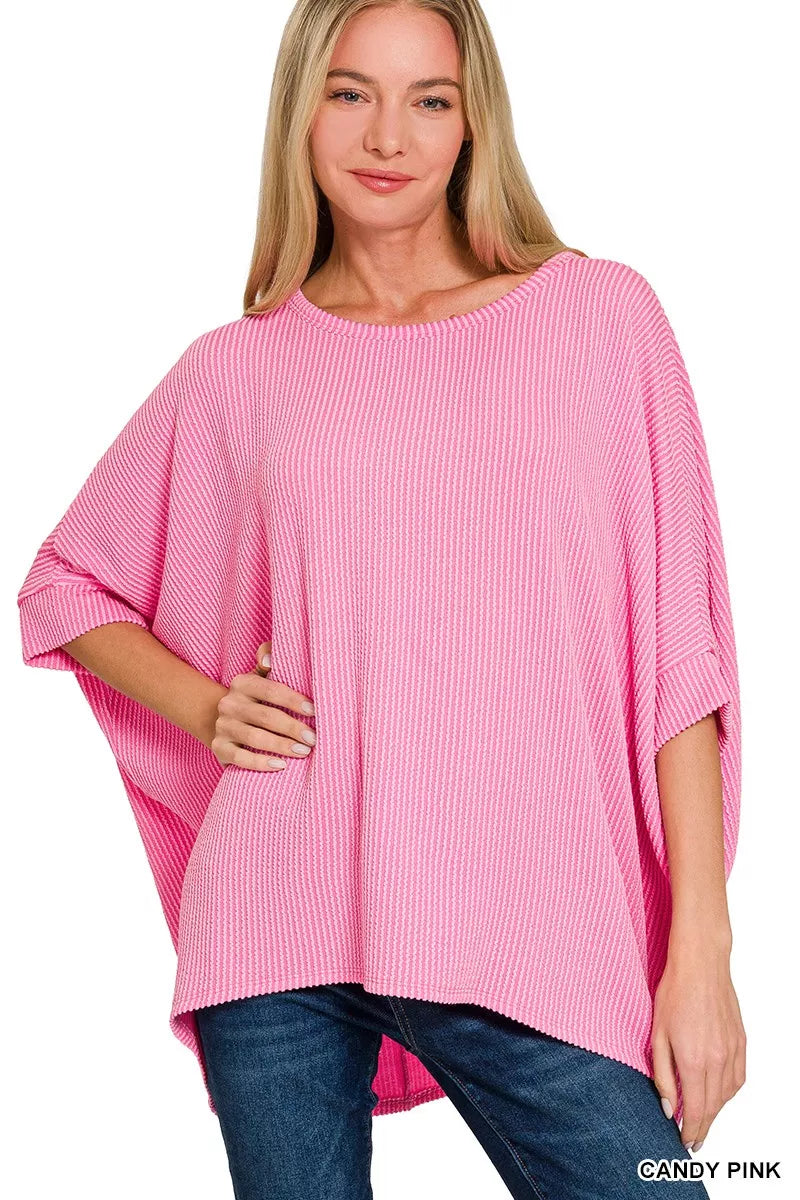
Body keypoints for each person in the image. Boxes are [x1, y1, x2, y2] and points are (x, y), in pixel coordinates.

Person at [17, 1, 746, 1197]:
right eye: (349, 92)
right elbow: (64, 582)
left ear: (472, 126)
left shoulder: (598, 316)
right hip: (279, 916)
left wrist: (701, 950)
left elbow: (679, 652)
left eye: (428, 99)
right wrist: (206, 708)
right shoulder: (239, 367)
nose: (386, 136)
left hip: (522, 918)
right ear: (300, 112)